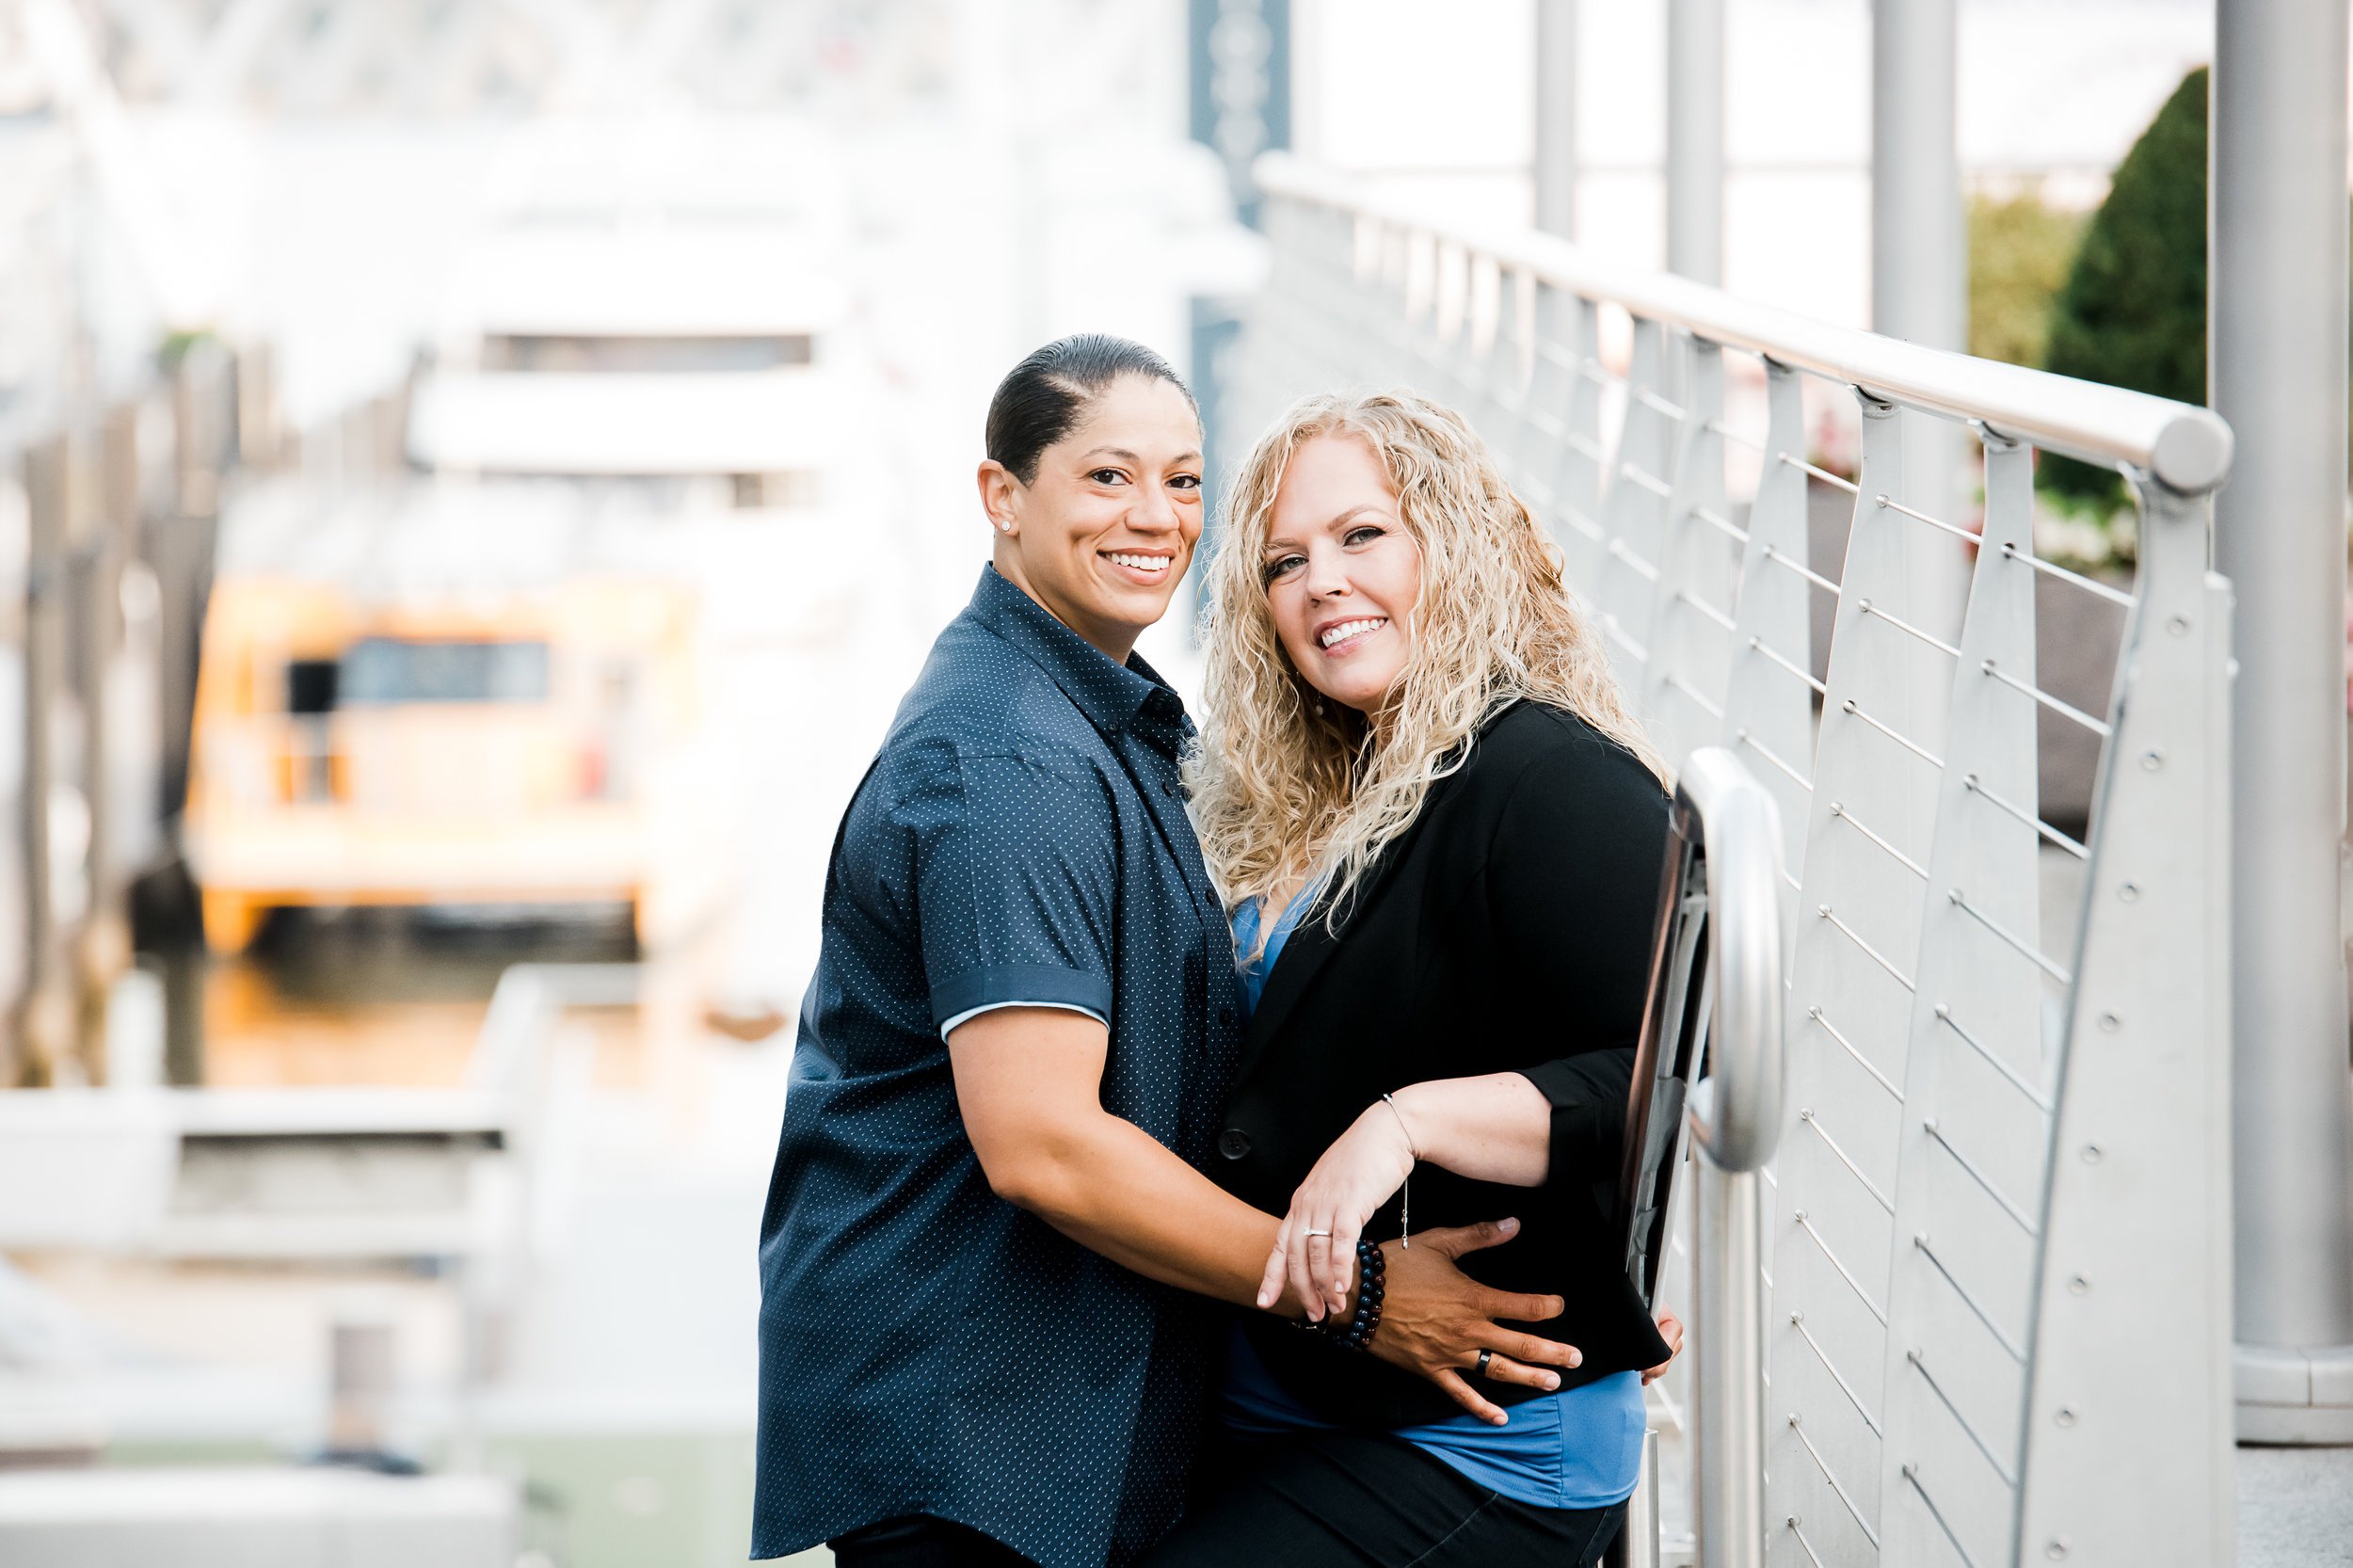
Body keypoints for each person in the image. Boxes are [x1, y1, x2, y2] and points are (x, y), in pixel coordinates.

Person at [752, 340, 1593, 1568]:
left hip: (1042, 1394)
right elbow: (1042, 1143)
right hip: (972, 1419)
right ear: (1004, 498)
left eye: (1187, 482)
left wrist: (1581, 1288)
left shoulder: (1105, 705)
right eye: (1107, 477)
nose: (1155, 517)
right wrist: (1354, 1296)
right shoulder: (1009, 767)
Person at [1144, 391, 1680, 1568]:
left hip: (1477, 1439)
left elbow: (1657, 1083)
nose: (1320, 580)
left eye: (1361, 536)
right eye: (1284, 560)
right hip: (1288, 1389)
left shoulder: (1550, 775)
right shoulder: (1300, 798)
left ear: (1455, 541)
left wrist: (1408, 1126)